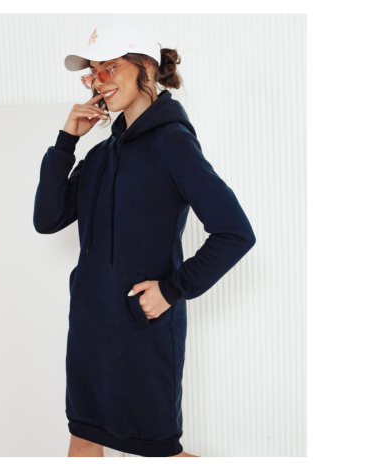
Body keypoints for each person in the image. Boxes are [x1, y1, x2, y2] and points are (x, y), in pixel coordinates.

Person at [33, 17, 256, 458]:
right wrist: (65, 142)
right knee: (83, 437)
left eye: (110, 67)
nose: (99, 80)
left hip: (142, 330)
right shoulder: (101, 153)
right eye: (92, 72)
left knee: (160, 453)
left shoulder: (173, 144)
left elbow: (235, 232)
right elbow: (48, 218)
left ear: (147, 69)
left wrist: (171, 290)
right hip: (90, 328)